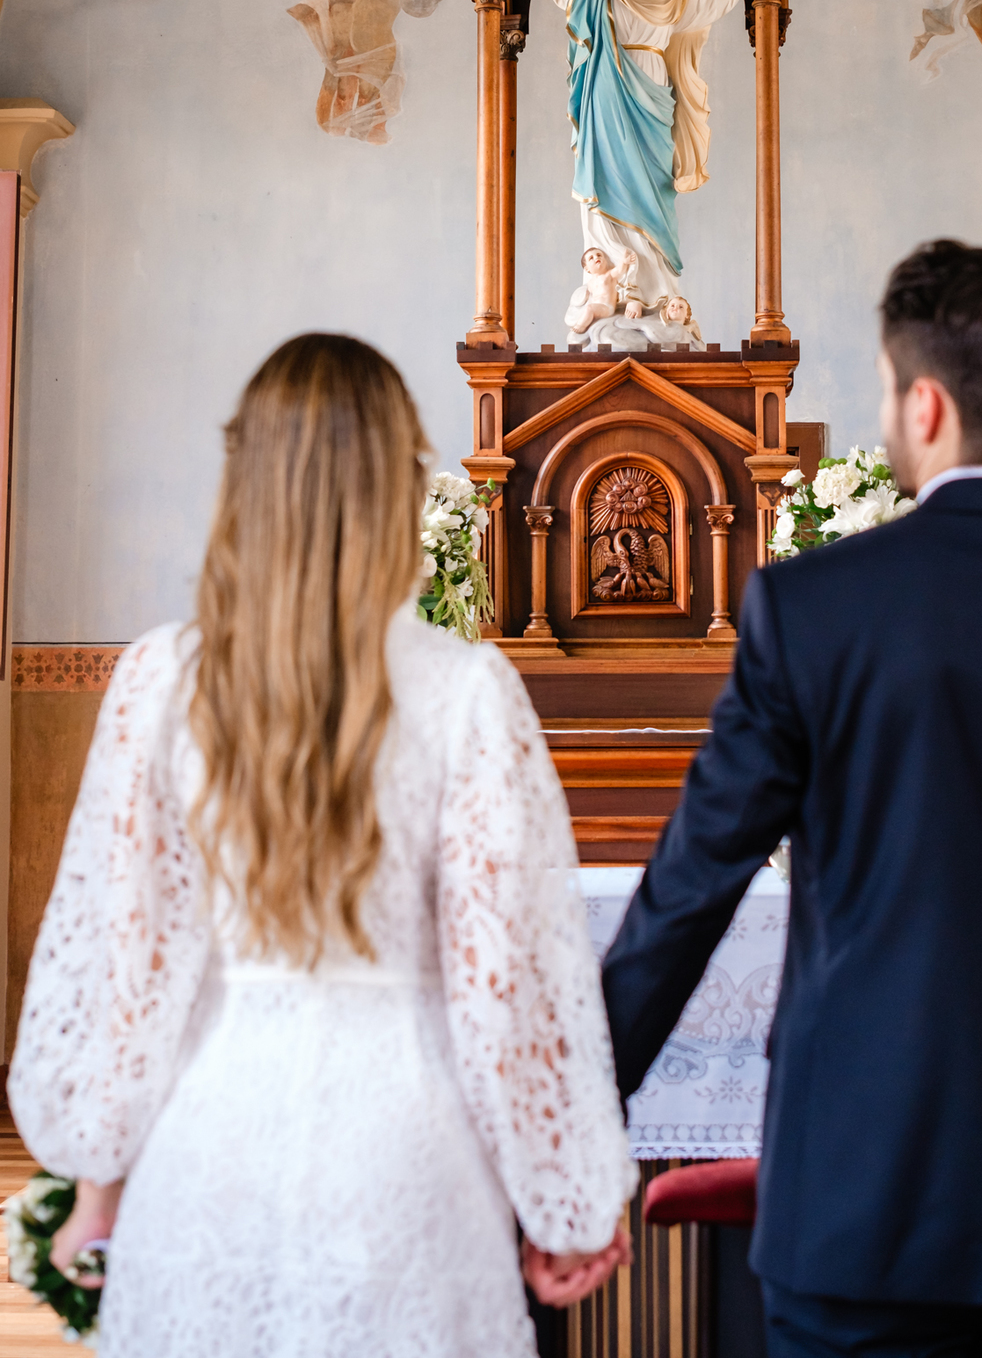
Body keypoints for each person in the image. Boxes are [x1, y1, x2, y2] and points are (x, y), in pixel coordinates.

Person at [602, 239, 982, 1358]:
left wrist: (584, 1126)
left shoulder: (810, 612)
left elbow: (693, 888)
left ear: (926, 406)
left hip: (860, 1208)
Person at [9, 333, 634, 1356]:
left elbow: (132, 964)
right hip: (406, 1160)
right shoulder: (467, 692)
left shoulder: (160, 681)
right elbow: (507, 986)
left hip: (209, 1148)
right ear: (397, 487)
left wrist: (97, 1192)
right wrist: (564, 1204)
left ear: (246, 482)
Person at [522, 0, 745, 311]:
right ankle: (612, 287)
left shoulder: (672, 0)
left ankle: (658, 287)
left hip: (653, 102)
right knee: (606, 178)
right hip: (606, 101)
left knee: (654, 189)